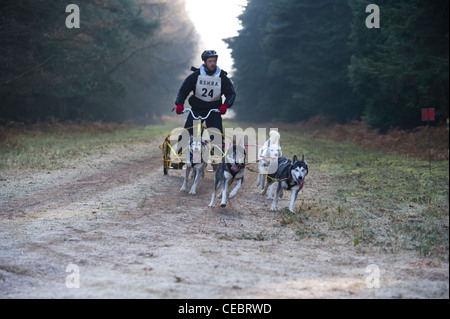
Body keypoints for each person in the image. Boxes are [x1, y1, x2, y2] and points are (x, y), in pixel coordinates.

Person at [172, 50, 236, 169]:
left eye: (214, 61)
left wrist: (226, 105)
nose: (212, 64)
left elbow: (231, 93)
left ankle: (217, 159)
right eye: (210, 61)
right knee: (187, 133)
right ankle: (179, 157)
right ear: (205, 62)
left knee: (216, 134)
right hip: (197, 110)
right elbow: (183, 90)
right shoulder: (196, 75)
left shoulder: (222, 76)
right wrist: (179, 104)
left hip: (214, 111)